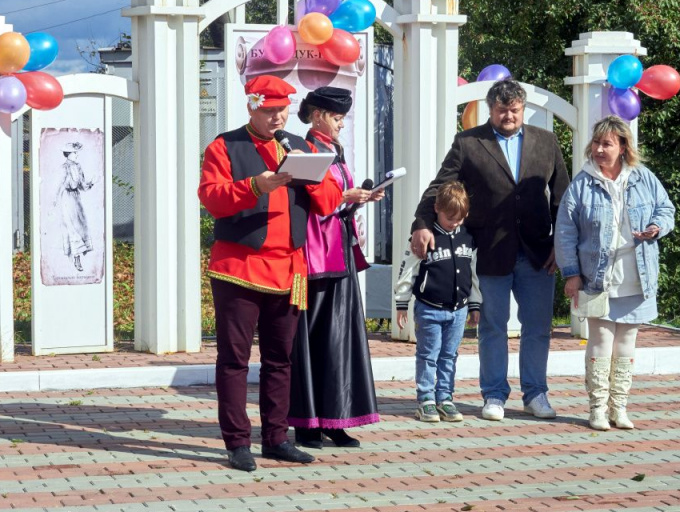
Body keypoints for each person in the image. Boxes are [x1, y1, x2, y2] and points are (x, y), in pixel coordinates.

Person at [198, 75, 343, 472]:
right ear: (251, 107)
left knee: (281, 359)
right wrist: (254, 185)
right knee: (235, 360)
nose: (278, 117)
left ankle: (276, 438)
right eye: (269, 110)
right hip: (239, 268)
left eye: (282, 110)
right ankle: (237, 443)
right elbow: (211, 198)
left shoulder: (300, 146)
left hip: (289, 268)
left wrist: (310, 180)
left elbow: (329, 202)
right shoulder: (224, 145)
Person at [411, 79, 569, 421]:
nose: (508, 116)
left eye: (514, 110)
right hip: (490, 250)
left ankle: (536, 393)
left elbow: (562, 197)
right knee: (493, 327)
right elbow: (440, 187)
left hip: (539, 251)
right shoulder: (469, 143)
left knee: (538, 327)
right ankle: (494, 395)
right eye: (501, 110)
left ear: (524, 109)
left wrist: (562, 244)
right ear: (490, 109)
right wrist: (422, 223)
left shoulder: (546, 141)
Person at [554, 116, 675, 431]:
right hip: (597, 274)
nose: (599, 149)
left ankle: (618, 408)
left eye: (607, 143)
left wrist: (656, 227)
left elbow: (666, 209)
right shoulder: (582, 183)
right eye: (596, 143)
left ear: (623, 147)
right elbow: (565, 232)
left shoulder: (643, 178)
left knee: (627, 340)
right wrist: (571, 273)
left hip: (636, 272)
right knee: (601, 339)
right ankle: (596, 408)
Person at [288, 86, 384, 449]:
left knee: (339, 338)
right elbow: (317, 199)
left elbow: (335, 204)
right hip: (316, 256)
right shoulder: (306, 150)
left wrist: (358, 199)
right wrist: (349, 196)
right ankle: (307, 423)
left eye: (343, 118)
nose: (342, 124)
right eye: (337, 117)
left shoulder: (333, 151)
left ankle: (335, 417)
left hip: (337, 250)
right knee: (314, 337)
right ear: (317, 115)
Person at [396, 181, 481, 422]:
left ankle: (445, 397)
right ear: (436, 208)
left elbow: (472, 274)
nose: (454, 223)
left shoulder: (467, 238)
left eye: (459, 218)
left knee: (449, 355)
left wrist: (475, 304)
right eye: (449, 217)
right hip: (429, 308)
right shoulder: (424, 237)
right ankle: (425, 399)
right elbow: (407, 270)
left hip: (459, 310)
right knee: (428, 354)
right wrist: (401, 303)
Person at [57, 141, 93, 272]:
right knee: (71, 227)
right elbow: (61, 185)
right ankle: (75, 259)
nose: (77, 155)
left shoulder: (78, 167)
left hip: (76, 199)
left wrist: (90, 183)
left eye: (77, 152)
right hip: (66, 198)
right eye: (74, 152)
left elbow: (82, 185)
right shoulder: (63, 168)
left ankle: (81, 256)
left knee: (81, 225)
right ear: (68, 154)